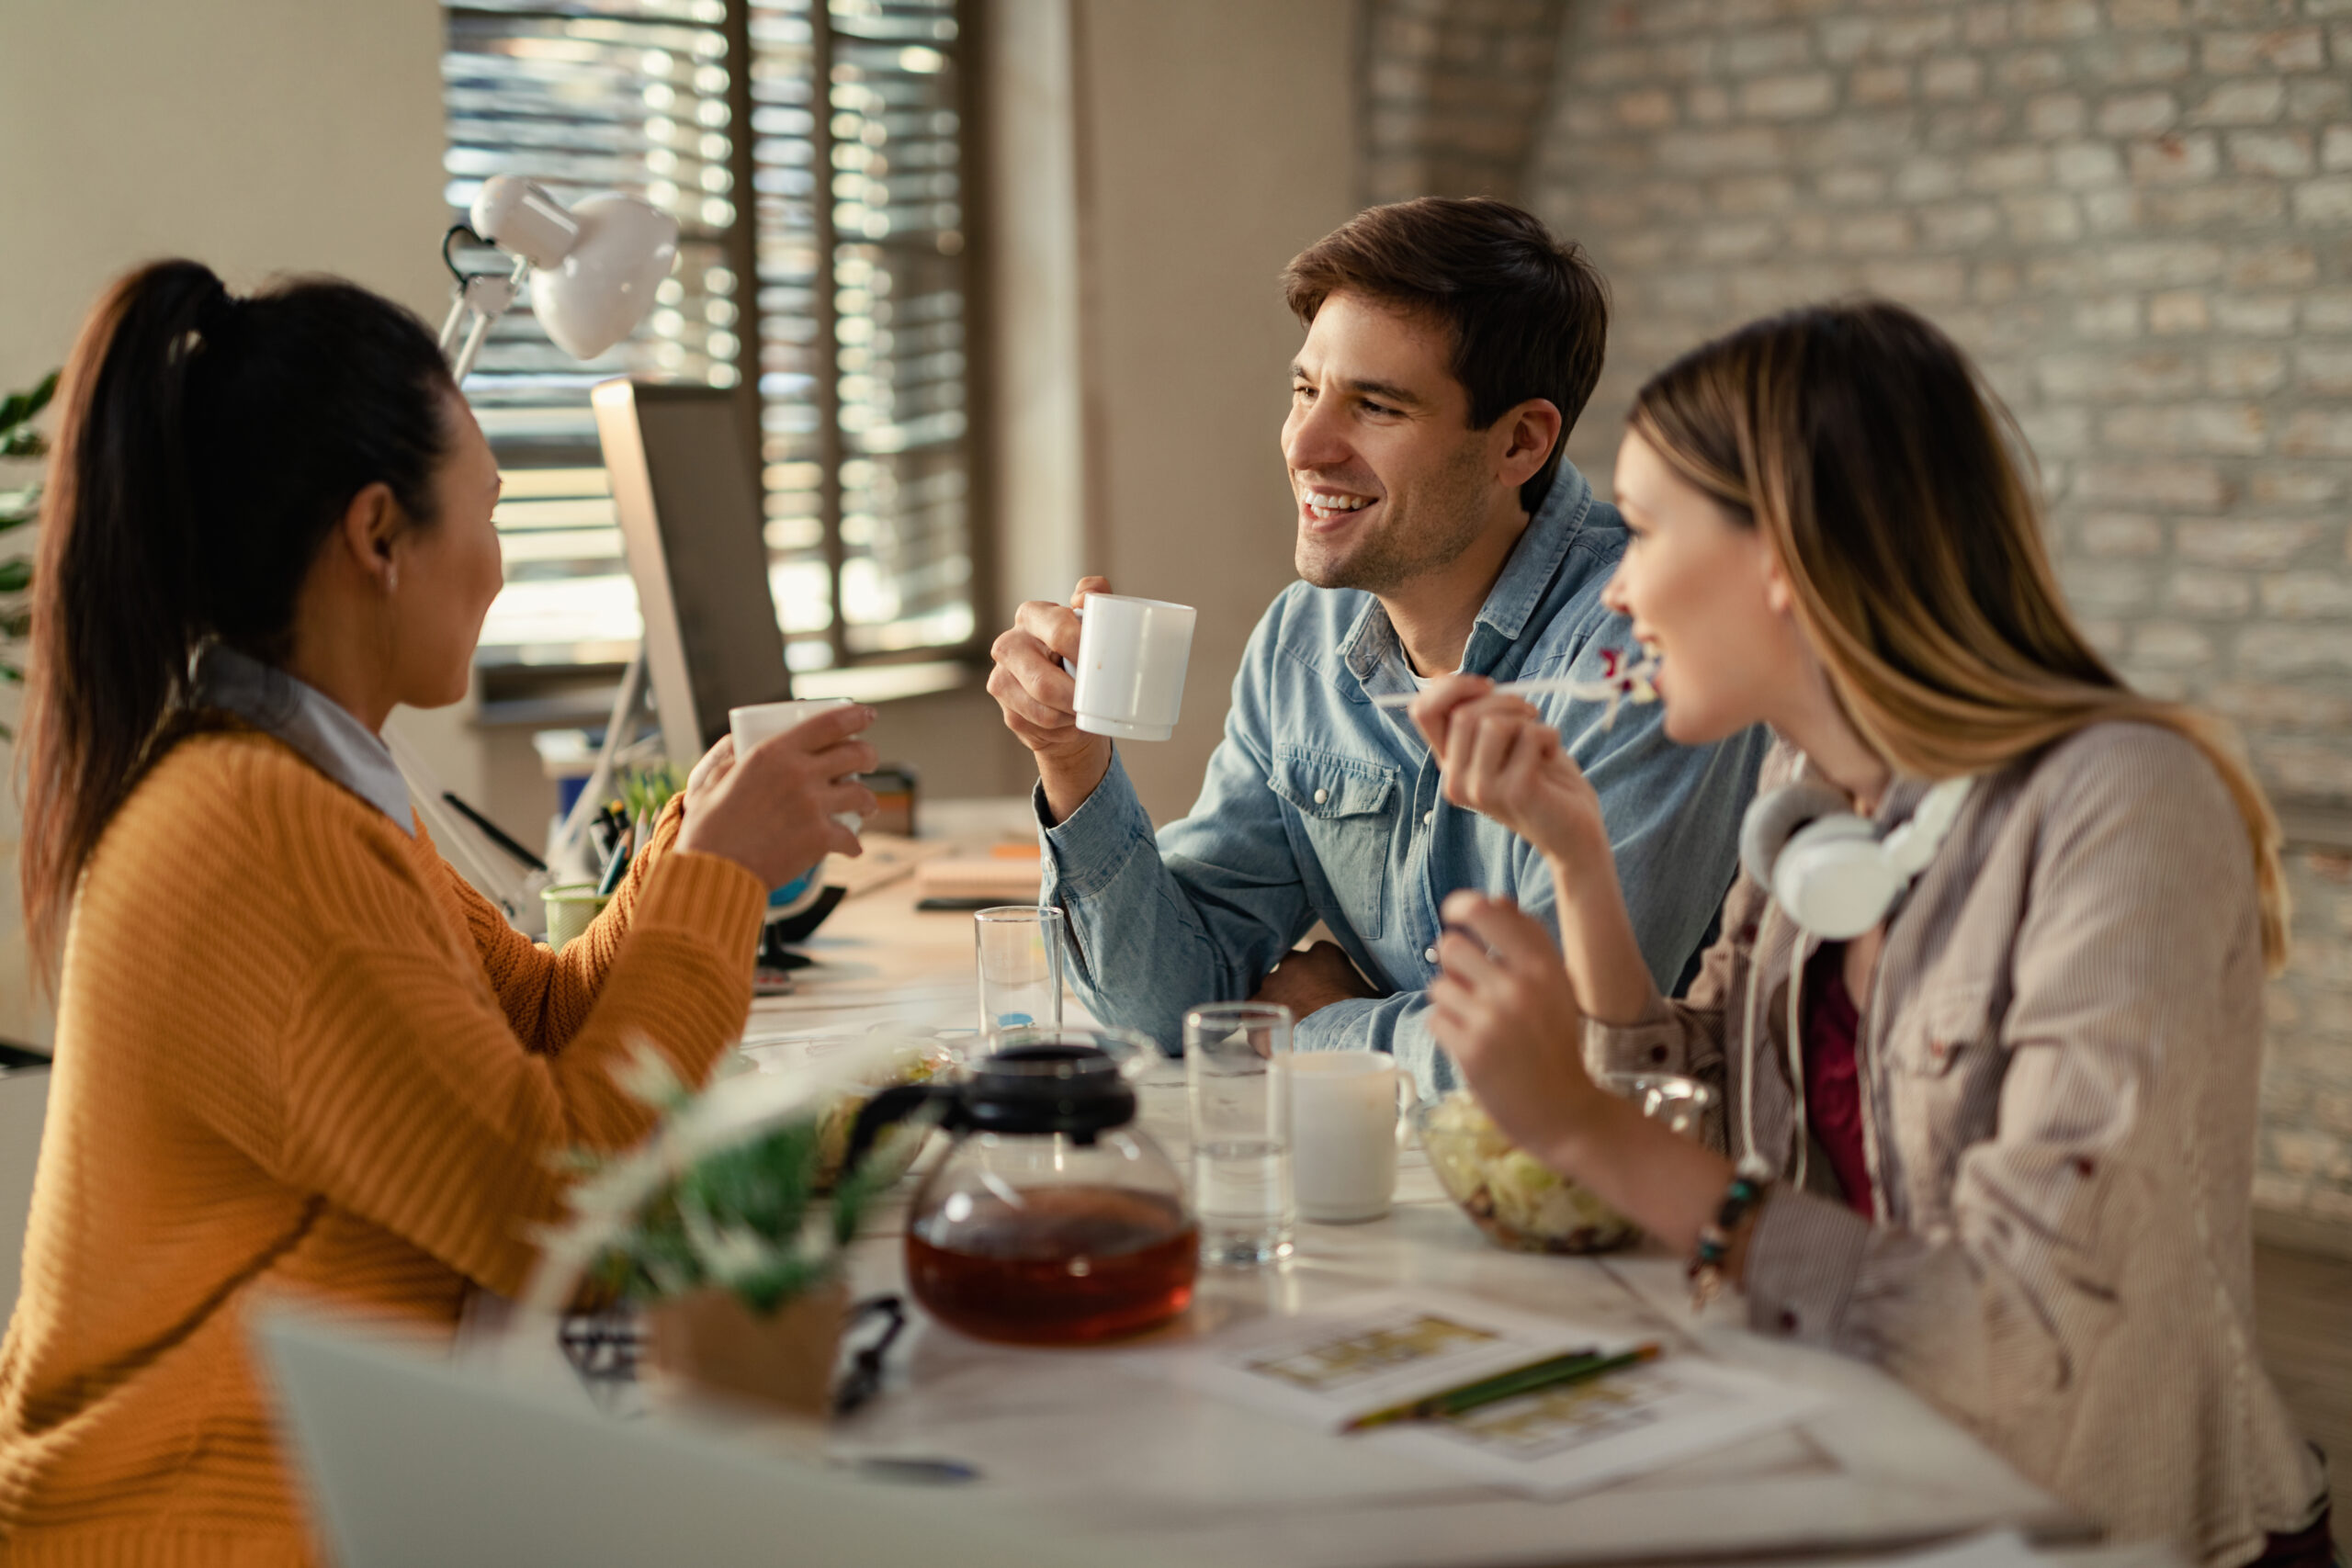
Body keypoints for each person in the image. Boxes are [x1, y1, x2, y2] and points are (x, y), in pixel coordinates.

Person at [1412, 300, 2330, 1565]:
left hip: (2095, 1524)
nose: (1619, 583)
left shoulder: (2120, 804)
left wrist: (1581, 1123)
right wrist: (1575, 853)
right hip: (1857, 1466)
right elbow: (1725, 1110)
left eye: (1647, 526)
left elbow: (2021, 1333)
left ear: (1784, 549)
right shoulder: (1816, 791)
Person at [0, 262, 879, 1565]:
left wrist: (680, 857)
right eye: (488, 511)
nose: (500, 564)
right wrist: (720, 884)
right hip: (203, 1508)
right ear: (377, 535)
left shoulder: (292, 767)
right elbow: (547, 1211)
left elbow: (525, 1019)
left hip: (320, 1454)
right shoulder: (254, 825)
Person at [986, 198, 1767, 1088]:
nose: (1305, 446)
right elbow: (1172, 1005)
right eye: (1304, 390)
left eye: (1376, 407)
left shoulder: (1646, 656)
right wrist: (1074, 762)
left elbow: (1567, 1059)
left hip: (1626, 1207)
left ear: (1519, 442)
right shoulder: (1303, 640)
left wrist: (1318, 1031)